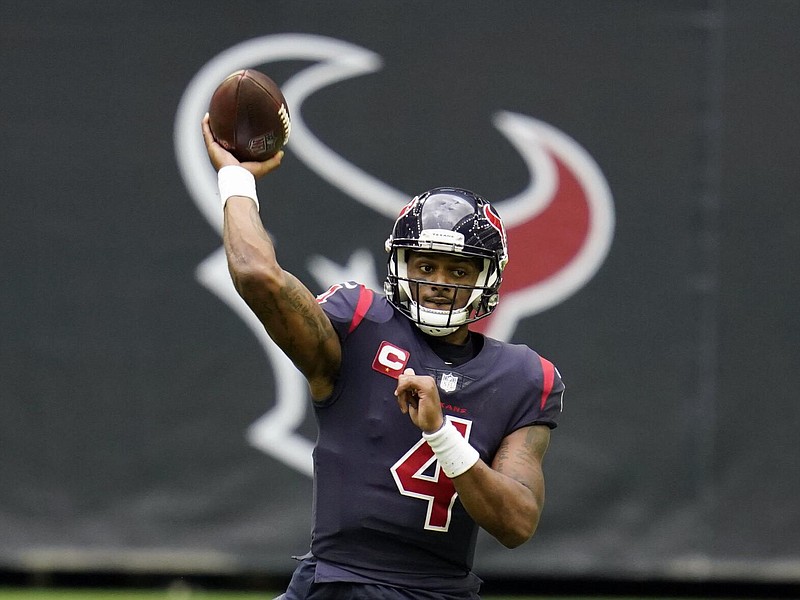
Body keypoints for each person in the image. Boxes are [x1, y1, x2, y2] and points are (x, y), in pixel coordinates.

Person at [201, 114, 564, 599]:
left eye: (458, 270)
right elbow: (256, 275)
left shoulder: (524, 376)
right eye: (426, 265)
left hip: (438, 592)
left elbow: (517, 523)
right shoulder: (359, 324)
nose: (438, 282)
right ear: (399, 264)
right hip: (334, 583)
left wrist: (441, 435)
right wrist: (236, 176)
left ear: (487, 279)